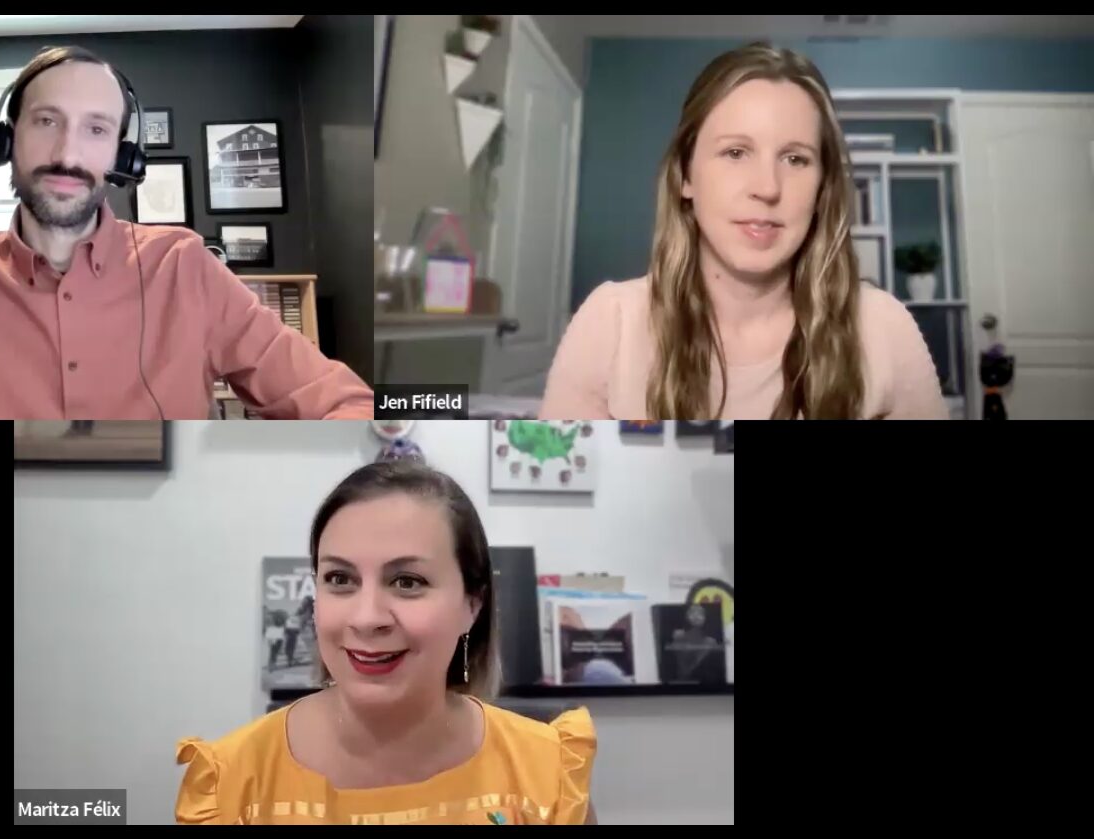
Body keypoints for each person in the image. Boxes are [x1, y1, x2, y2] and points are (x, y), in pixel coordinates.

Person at [0, 46, 372, 420]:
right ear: (6, 141)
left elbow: (331, 399)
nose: (67, 153)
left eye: (95, 129)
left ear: (123, 153)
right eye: (46, 122)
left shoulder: (185, 265)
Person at [174, 461, 597, 825]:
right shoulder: (230, 786)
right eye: (340, 579)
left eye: (407, 582)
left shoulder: (547, 778)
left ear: (473, 603)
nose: (367, 617)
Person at [540, 42, 947, 420]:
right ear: (686, 176)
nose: (767, 187)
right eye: (735, 152)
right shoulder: (611, 324)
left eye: (795, 158)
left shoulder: (883, 329)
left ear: (823, 187)